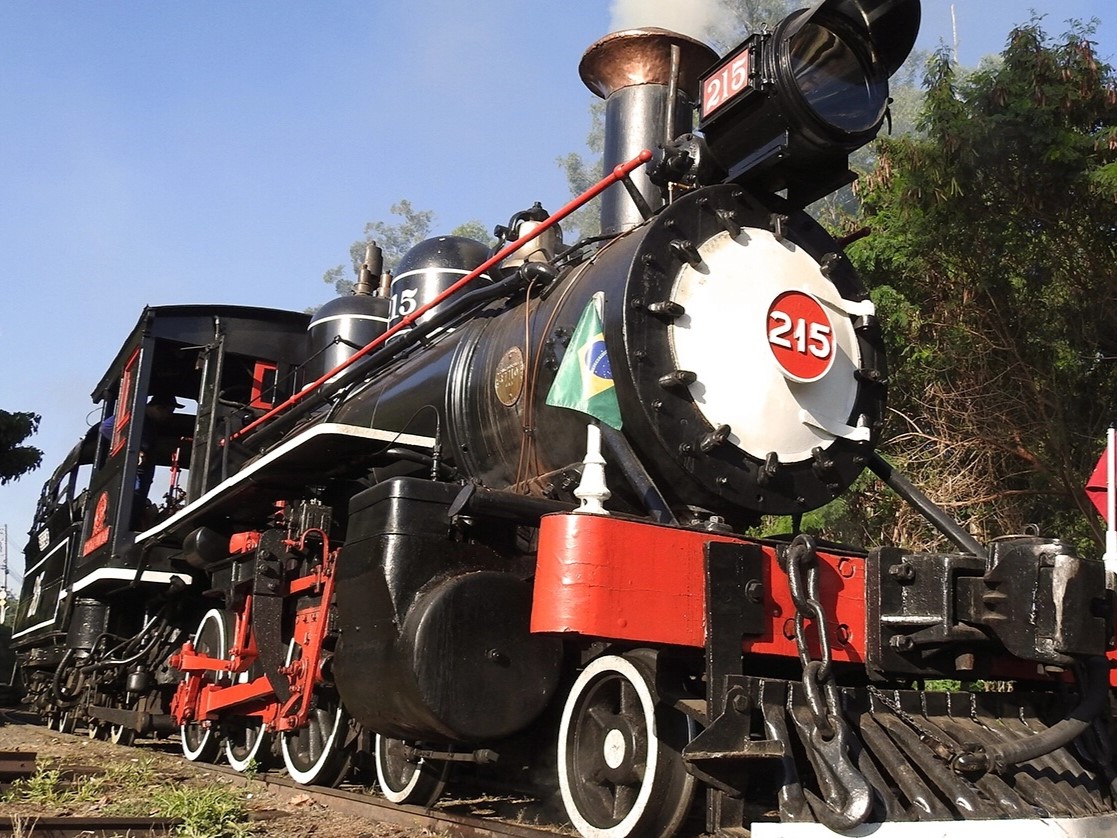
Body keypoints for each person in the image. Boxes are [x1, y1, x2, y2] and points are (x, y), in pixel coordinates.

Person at [100, 393, 182, 526]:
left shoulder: (150, 424)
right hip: (132, 476)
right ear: (159, 408)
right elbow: (106, 428)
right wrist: (133, 450)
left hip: (142, 477)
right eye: (169, 411)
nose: (170, 416)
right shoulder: (135, 415)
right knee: (130, 506)